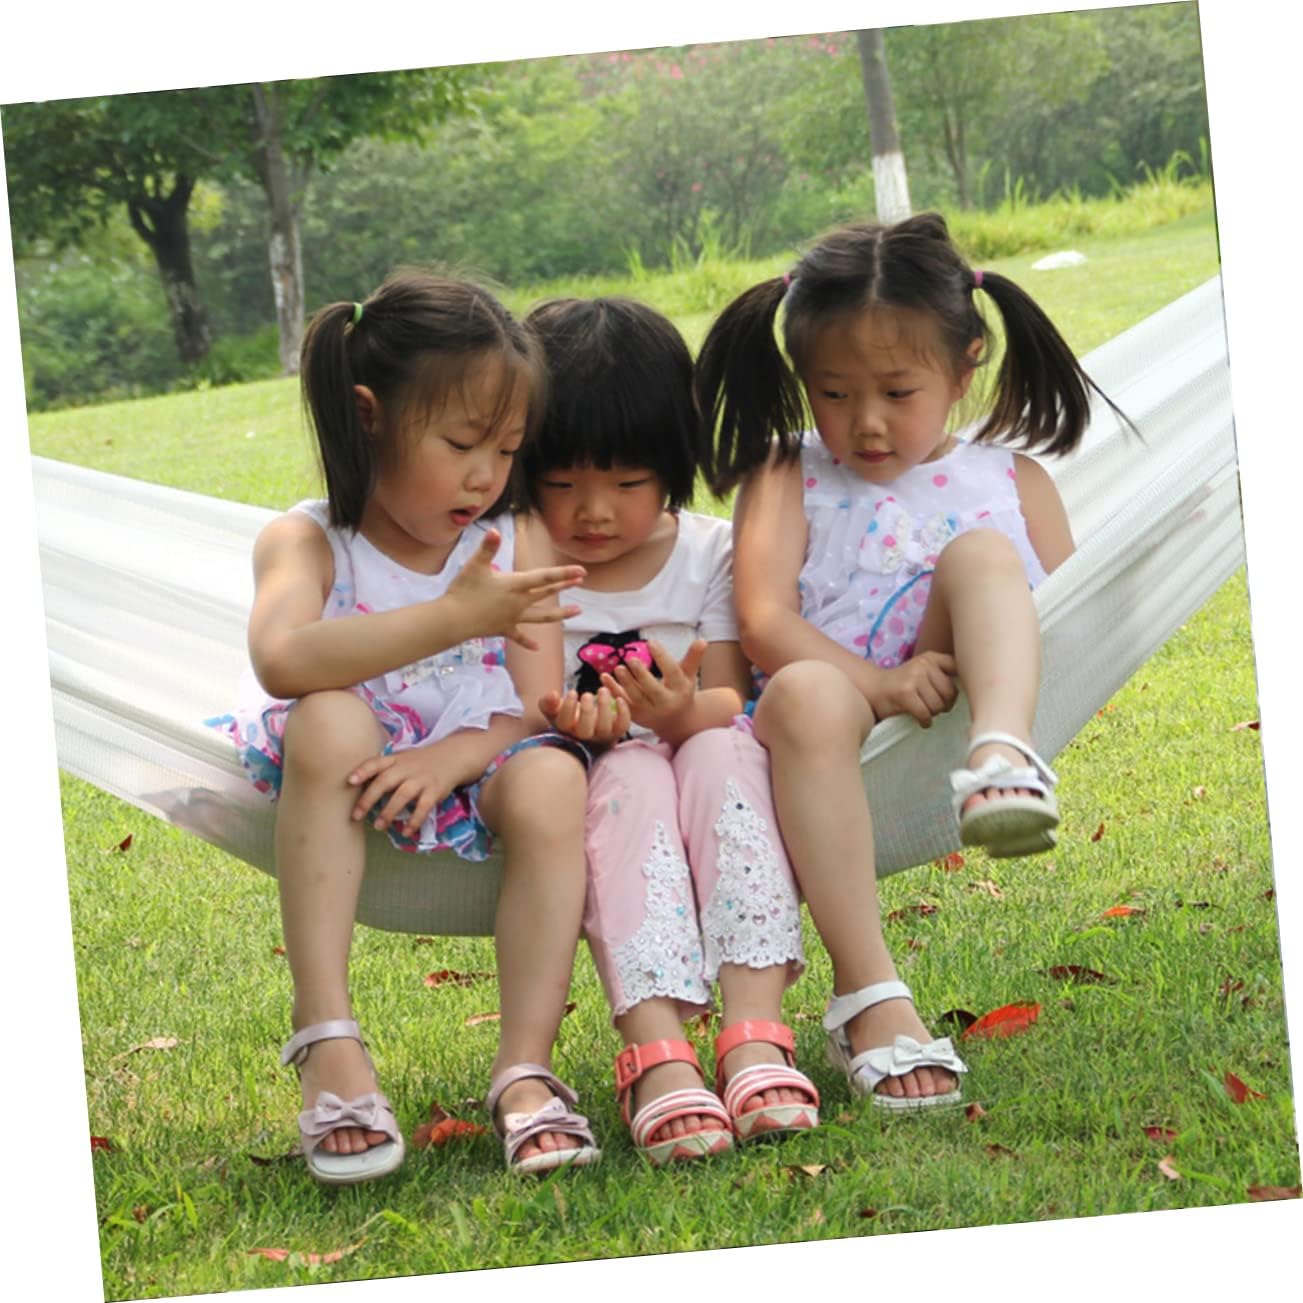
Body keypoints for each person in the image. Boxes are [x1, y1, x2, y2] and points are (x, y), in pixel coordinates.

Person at [695, 212, 1125, 1107]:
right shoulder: (786, 472)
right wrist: (882, 684)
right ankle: (870, 992)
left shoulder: (1010, 480)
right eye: (833, 393)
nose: (866, 422)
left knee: (983, 556)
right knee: (805, 691)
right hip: (830, 712)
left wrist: (1147, 565)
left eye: (897, 391)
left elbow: (1065, 610)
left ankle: (1002, 757)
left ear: (965, 365)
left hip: (956, 699)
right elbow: (763, 618)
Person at [211, 272, 602, 1181]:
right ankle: (326, 1034)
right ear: (369, 416)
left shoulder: (515, 539)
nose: (485, 474)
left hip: (478, 757)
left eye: (505, 448)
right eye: (461, 442)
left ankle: (524, 1067)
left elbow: (536, 704)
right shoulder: (306, 541)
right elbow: (283, 658)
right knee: (329, 716)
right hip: (349, 766)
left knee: (554, 775)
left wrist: (451, 756)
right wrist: (452, 618)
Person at [519, 297, 820, 1164]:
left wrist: (675, 712)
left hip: (704, 756)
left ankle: (755, 1031)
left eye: (626, 482)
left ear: (674, 462)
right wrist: (585, 727)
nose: (594, 511)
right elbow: (529, 703)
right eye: (562, 483)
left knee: (721, 745)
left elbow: (727, 694)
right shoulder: (519, 561)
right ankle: (658, 1052)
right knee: (628, 773)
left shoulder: (710, 552)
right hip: (594, 776)